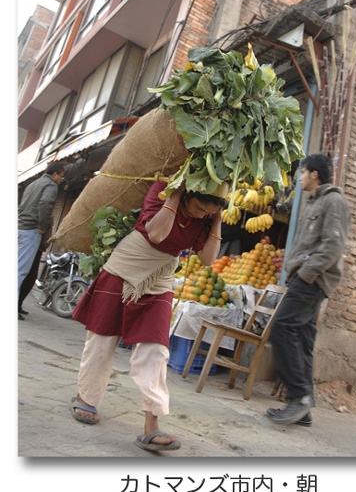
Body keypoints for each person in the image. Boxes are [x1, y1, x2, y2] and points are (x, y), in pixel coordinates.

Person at [70, 178, 227, 452]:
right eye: (200, 207)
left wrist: (217, 218)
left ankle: (151, 427)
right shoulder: (164, 190)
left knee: (156, 349)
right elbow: (156, 234)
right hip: (127, 265)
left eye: (208, 212)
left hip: (160, 278)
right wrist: (176, 194)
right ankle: (86, 398)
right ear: (187, 192)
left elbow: (207, 259)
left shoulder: (208, 218)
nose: (202, 214)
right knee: (102, 339)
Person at [267, 154, 350, 426]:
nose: (299, 178)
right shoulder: (316, 202)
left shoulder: (333, 201)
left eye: (302, 172)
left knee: (282, 327)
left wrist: (306, 274)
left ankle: (299, 396)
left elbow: (333, 245)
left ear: (314, 174)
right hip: (304, 278)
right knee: (302, 339)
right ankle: (304, 409)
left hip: (312, 280)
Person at [18, 162, 64, 319]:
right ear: (55, 174)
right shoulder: (50, 185)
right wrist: (43, 227)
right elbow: (45, 204)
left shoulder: (33, 183)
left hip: (21, 227)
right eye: (61, 175)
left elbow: (22, 205)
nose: (61, 179)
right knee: (20, 271)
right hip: (31, 229)